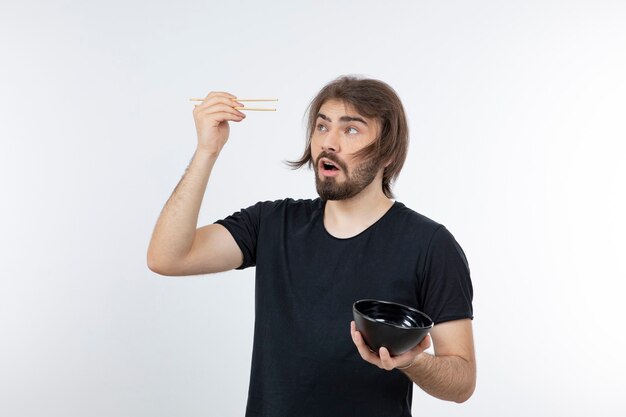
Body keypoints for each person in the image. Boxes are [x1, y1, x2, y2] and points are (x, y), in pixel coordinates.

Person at [147, 76, 476, 416]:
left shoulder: (431, 245)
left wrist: (413, 361)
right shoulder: (272, 223)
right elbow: (167, 257)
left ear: (388, 152)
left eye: (351, 130)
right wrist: (206, 150)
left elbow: (462, 382)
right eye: (322, 126)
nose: (328, 143)